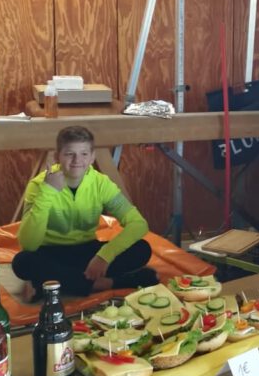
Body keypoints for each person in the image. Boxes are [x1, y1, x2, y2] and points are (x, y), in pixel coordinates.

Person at [13, 126, 156, 301]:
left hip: (87, 252)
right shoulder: (38, 185)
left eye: (84, 154)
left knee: (142, 249)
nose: (76, 161)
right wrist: (48, 192)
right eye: (69, 154)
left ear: (92, 157)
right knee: (22, 262)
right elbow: (29, 244)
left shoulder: (101, 183)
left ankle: (56, 283)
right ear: (57, 156)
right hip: (50, 252)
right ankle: (108, 283)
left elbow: (138, 224)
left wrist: (104, 256)